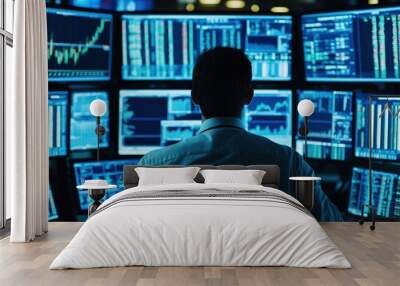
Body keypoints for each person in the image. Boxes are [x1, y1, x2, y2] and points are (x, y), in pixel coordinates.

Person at [138, 47, 342, 221]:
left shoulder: (153, 164)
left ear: (194, 96)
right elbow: (334, 223)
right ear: (249, 96)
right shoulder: (289, 161)